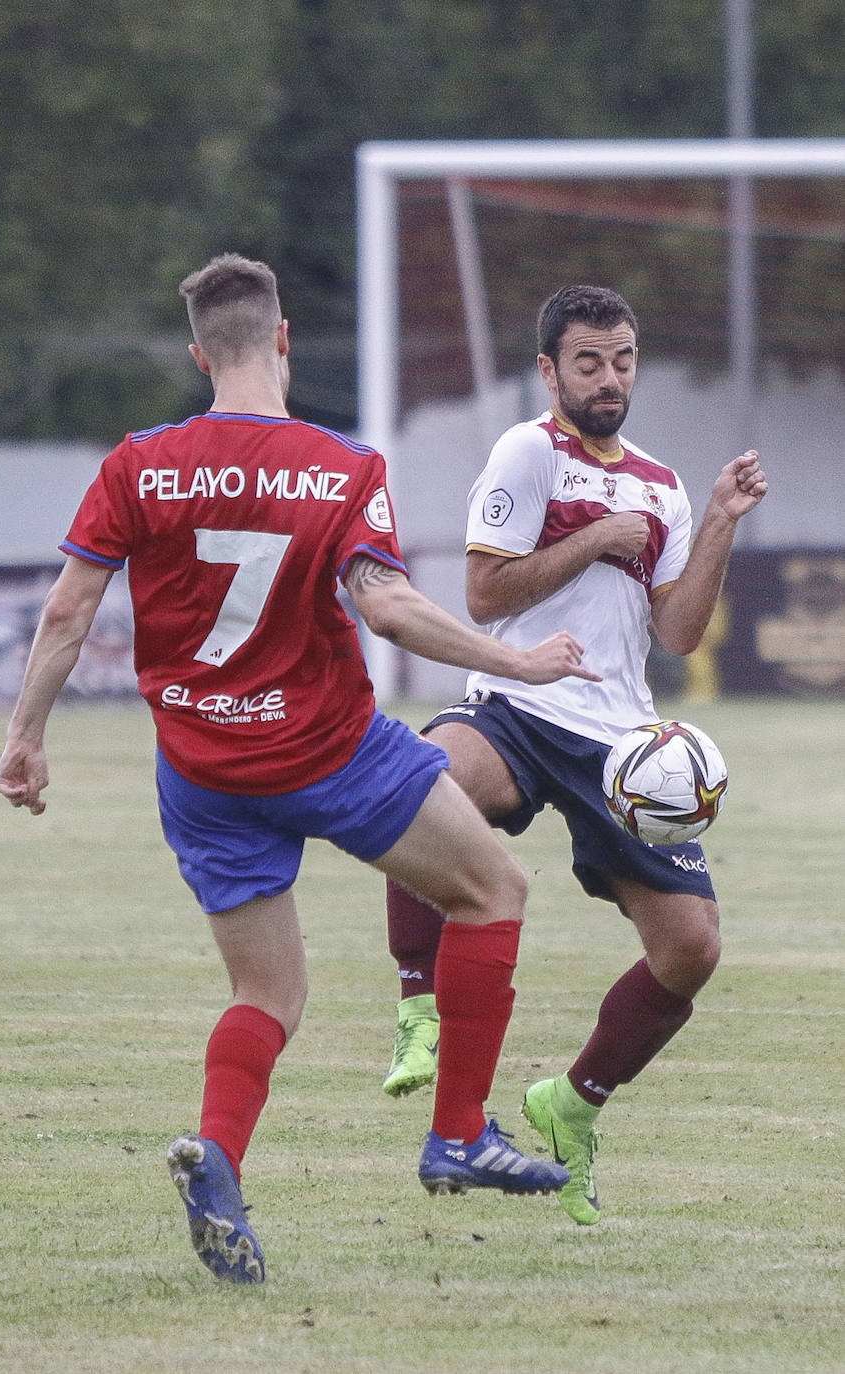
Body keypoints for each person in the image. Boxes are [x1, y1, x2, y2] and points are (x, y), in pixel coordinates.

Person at [0, 253, 604, 1284]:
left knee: (267, 991)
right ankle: (456, 1132)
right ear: (283, 340)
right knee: (494, 890)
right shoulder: (340, 467)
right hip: (331, 752)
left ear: (199, 354)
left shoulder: (138, 464)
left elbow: (67, 612)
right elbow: (387, 606)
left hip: (201, 770)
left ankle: (220, 1160)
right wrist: (514, 658)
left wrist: (25, 736)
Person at [381, 284, 767, 1228]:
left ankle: (574, 1104)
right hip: (517, 698)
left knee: (692, 948)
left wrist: (715, 519)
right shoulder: (529, 451)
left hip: (619, 742)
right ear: (550, 369)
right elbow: (481, 594)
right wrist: (597, 537)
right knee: (424, 781)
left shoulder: (662, 484)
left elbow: (677, 634)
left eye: (622, 359)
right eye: (588, 361)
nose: (609, 378)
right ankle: (420, 1010)